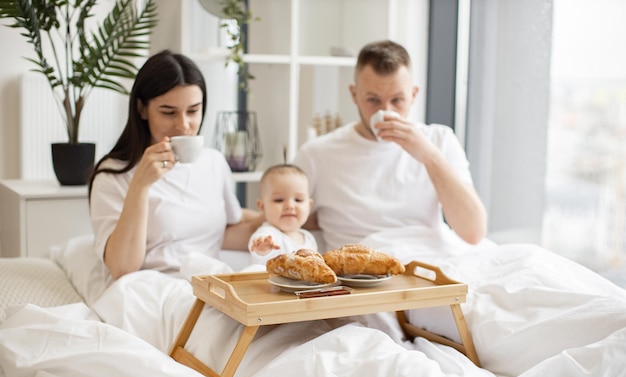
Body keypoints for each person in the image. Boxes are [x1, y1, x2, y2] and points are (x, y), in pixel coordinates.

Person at [294, 40, 487, 251]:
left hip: (431, 267)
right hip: (363, 270)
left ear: (413, 94)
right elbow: (280, 217)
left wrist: (429, 156)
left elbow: (473, 232)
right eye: (373, 100)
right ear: (354, 95)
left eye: (397, 100)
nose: (386, 111)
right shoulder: (317, 154)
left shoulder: (439, 140)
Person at [88, 50, 263, 279]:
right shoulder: (113, 174)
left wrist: (283, 212)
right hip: (149, 288)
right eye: (168, 112)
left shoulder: (214, 162)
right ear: (142, 109)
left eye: (193, 111)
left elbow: (234, 222)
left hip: (207, 286)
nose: (183, 125)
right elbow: (122, 268)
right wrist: (140, 184)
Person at [248, 164, 317, 265]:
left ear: (309, 205)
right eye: (279, 200)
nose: (290, 205)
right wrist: (262, 247)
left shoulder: (309, 238)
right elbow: (256, 246)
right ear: (262, 206)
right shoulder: (268, 235)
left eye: (298, 200)